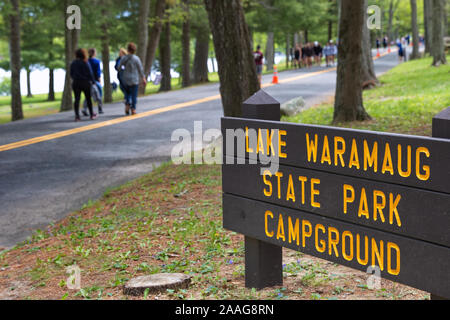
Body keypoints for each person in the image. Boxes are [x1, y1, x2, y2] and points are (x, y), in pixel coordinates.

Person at [118, 42, 147, 115]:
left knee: (127, 93)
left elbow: (119, 67)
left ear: (128, 49)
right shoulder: (136, 58)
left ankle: (127, 104)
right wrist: (143, 78)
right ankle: (133, 109)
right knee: (134, 95)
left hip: (125, 79)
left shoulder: (124, 58)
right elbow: (140, 69)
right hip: (134, 79)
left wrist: (123, 69)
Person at [70, 48, 97, 121]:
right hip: (86, 83)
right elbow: (90, 73)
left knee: (77, 99)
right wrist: (93, 82)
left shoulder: (73, 63)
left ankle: (77, 116)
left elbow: (71, 74)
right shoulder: (85, 62)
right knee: (88, 99)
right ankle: (91, 115)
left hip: (76, 83)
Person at [83, 48, 103, 115]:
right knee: (99, 94)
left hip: (87, 81)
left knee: (88, 95)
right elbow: (98, 72)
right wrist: (99, 80)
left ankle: (84, 108)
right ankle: (100, 108)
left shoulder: (86, 61)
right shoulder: (97, 61)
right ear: (94, 53)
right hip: (95, 81)